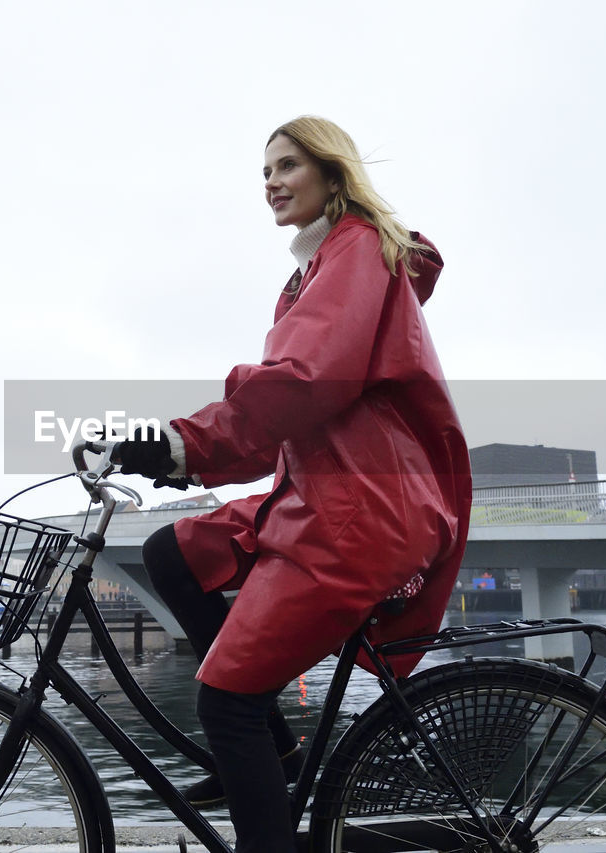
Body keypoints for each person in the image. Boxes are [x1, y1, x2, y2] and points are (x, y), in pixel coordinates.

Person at [117, 115, 471, 852]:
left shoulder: (356, 249)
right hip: (319, 491)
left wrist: (185, 443)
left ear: (332, 174)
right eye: (264, 172)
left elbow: (306, 381)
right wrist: (172, 448)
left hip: (360, 510)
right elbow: (287, 413)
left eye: (286, 166)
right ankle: (276, 754)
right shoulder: (313, 270)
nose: (271, 183)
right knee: (170, 553)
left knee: (225, 697)